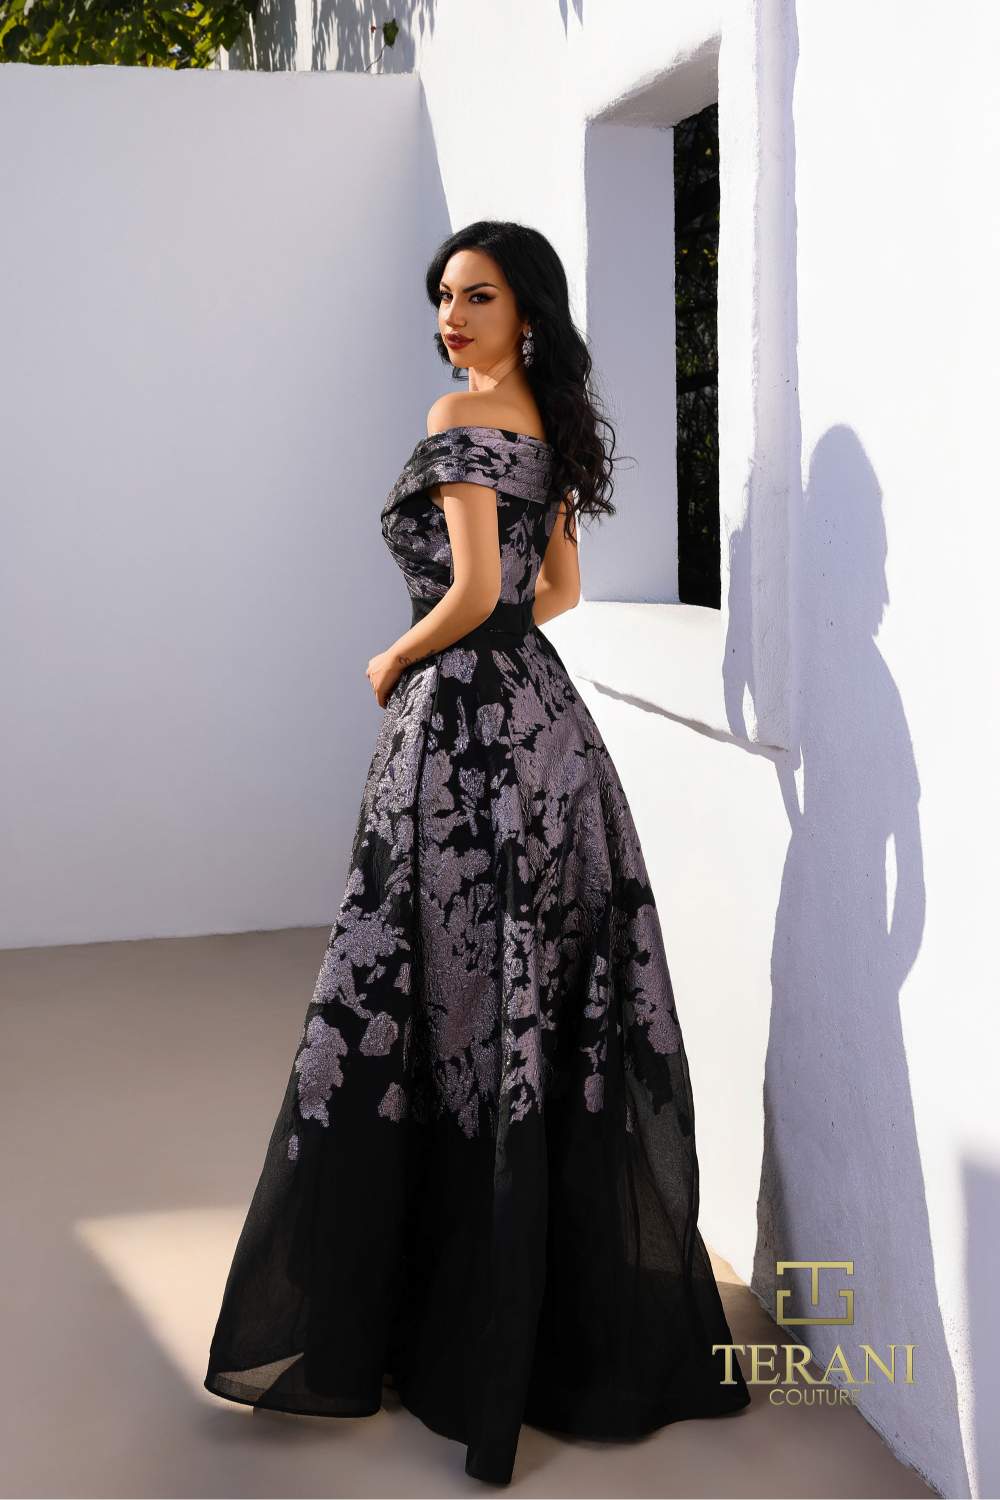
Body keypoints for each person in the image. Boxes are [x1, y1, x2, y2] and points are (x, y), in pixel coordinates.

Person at [203, 220, 751, 1485]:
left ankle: (428, 1321)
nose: (451, 317)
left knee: (438, 1005)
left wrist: (395, 656)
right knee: (524, 1005)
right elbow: (552, 597)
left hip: (456, 736)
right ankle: (536, 1319)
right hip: (549, 736)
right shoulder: (549, 428)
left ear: (527, 313)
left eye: (479, 296)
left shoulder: (459, 414)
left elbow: (469, 596)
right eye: (444, 296)